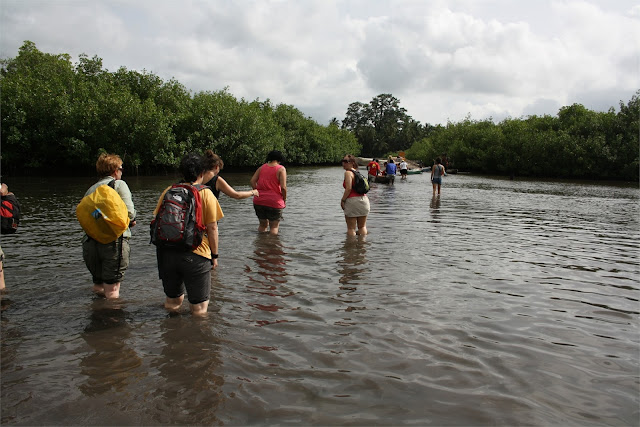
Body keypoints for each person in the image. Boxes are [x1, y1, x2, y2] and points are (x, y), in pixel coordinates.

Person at [154, 152, 224, 316]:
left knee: (172, 301)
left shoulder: (168, 191)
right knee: (199, 309)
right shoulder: (206, 193)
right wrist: (214, 255)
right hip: (196, 254)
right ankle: (196, 340)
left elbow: (158, 220)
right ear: (201, 173)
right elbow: (212, 228)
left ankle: (171, 336)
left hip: (167, 253)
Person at [82, 154, 136, 299]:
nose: (122, 171)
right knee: (112, 290)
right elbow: (130, 213)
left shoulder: (91, 189)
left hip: (91, 243)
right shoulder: (119, 184)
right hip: (113, 244)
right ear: (114, 170)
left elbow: (92, 214)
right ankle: (112, 320)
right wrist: (131, 220)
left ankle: (96, 318)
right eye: (121, 168)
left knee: (98, 285)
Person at [250, 150, 287, 235]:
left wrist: (257, 192)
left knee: (262, 225)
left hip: (259, 201)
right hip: (274, 202)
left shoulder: (261, 167)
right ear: (279, 158)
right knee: (274, 227)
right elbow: (283, 187)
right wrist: (284, 199)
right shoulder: (281, 169)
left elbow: (252, 181)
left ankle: (261, 245)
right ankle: (272, 246)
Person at [340, 154, 370, 236]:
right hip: (364, 200)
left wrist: (342, 200)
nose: (343, 163)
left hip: (352, 201)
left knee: (351, 228)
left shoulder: (348, 173)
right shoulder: (358, 173)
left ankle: (350, 247)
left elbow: (348, 188)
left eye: (346, 161)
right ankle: (362, 246)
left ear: (352, 162)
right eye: (343, 161)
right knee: (362, 227)